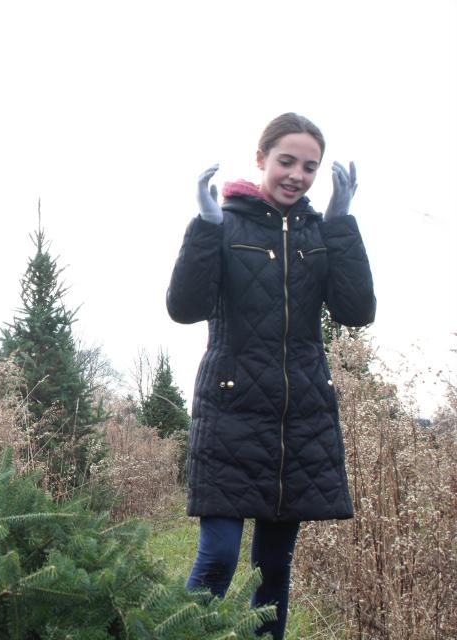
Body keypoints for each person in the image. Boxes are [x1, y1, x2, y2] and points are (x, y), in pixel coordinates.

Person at [165, 113, 375, 639]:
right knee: (217, 559)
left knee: (273, 569)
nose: (297, 176)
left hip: (298, 420)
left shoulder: (319, 233)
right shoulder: (226, 225)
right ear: (260, 159)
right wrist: (206, 228)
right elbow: (184, 308)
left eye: (310, 167)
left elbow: (356, 311)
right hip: (231, 413)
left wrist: (342, 223)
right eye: (286, 161)